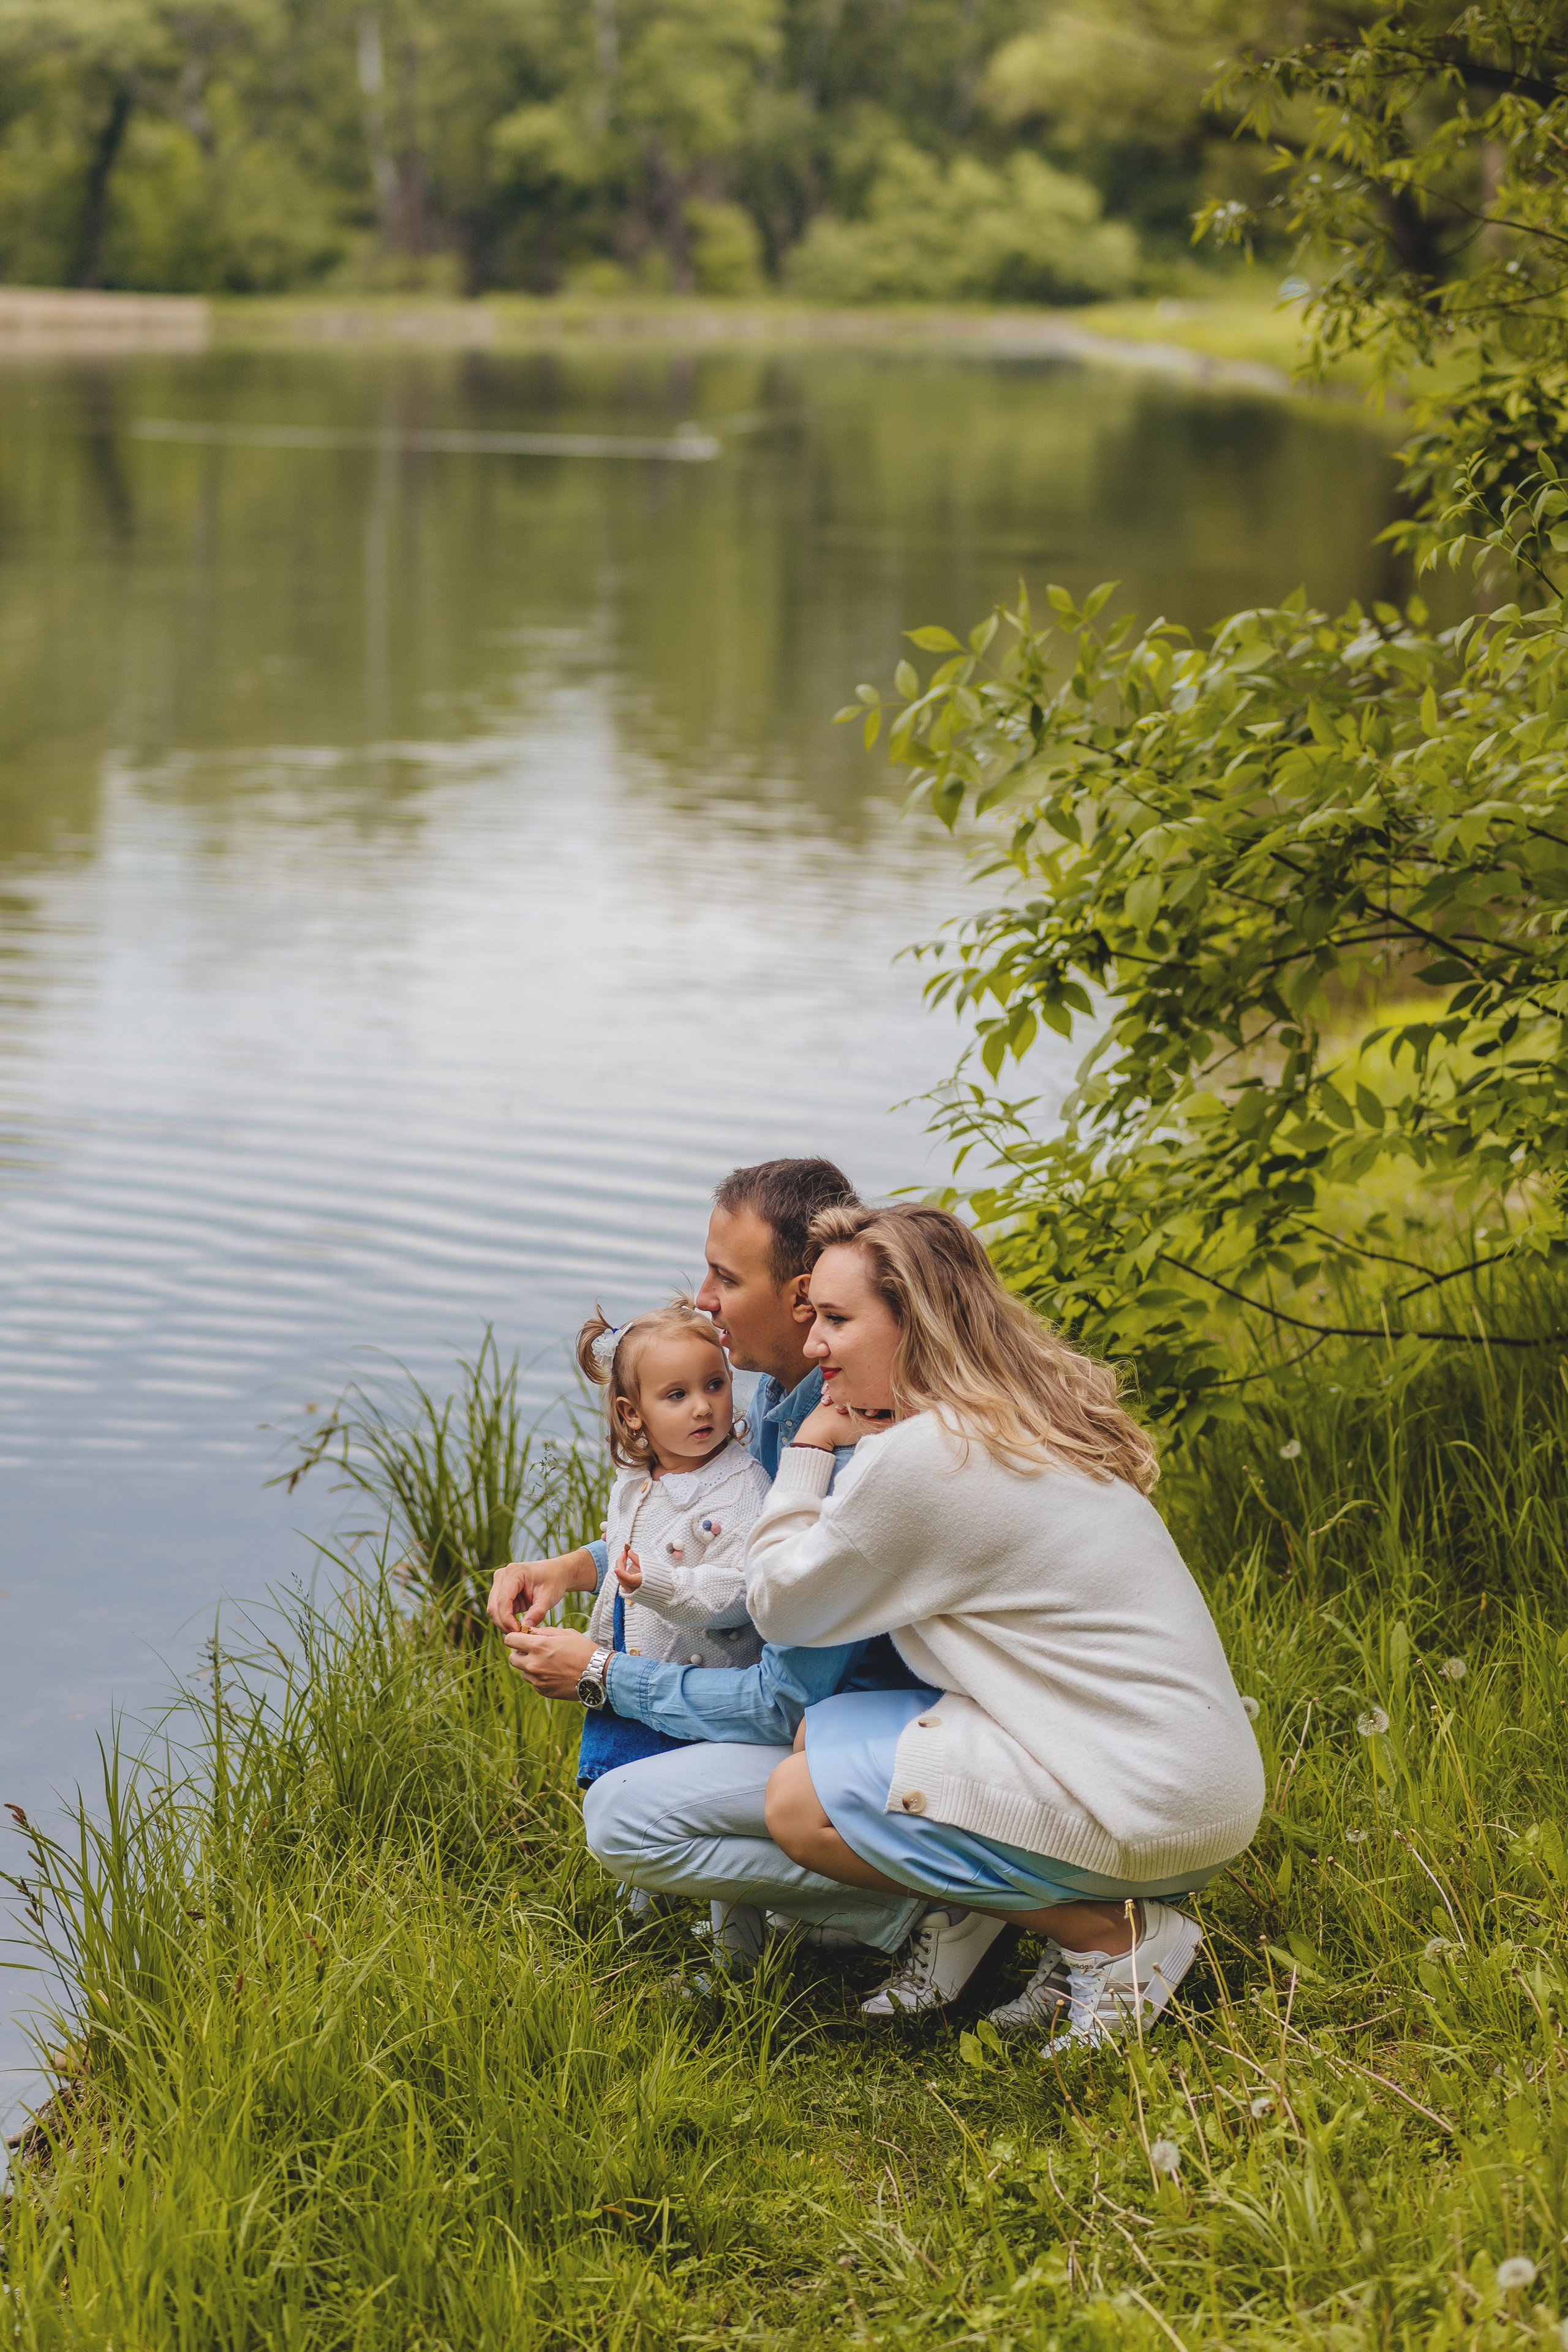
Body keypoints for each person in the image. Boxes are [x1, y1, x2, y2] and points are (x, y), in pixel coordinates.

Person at [745, 1202, 1265, 2045]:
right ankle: (1051, 1920)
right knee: (824, 1738)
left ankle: (1114, 1940)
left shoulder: (928, 1460)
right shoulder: (1019, 1414)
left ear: (914, 1325)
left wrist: (808, 1450)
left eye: (837, 1320)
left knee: (801, 1805)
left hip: (1148, 1804)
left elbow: (780, 1605)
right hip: (1194, 1781)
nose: (813, 1347)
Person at [489, 1159, 929, 1970]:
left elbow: (781, 1700)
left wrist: (601, 1674)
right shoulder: (774, 1396)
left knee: (621, 1820)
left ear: (803, 1296)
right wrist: (571, 1568)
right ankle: (823, 1902)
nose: (703, 1296)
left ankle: (904, 1901)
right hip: (822, 1724)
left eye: (725, 1276)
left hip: (871, 1730)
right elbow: (713, 1535)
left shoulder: (847, 1443)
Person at [564, 1300, 771, 1788]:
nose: (703, 1406)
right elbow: (626, 1558)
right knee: (611, 1788)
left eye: (715, 1385)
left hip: (694, 1697)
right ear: (632, 1414)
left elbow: (742, 1591)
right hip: (636, 1668)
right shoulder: (635, 1480)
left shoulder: (743, 1486)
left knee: (649, 1799)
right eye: (677, 1395)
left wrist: (655, 1584)